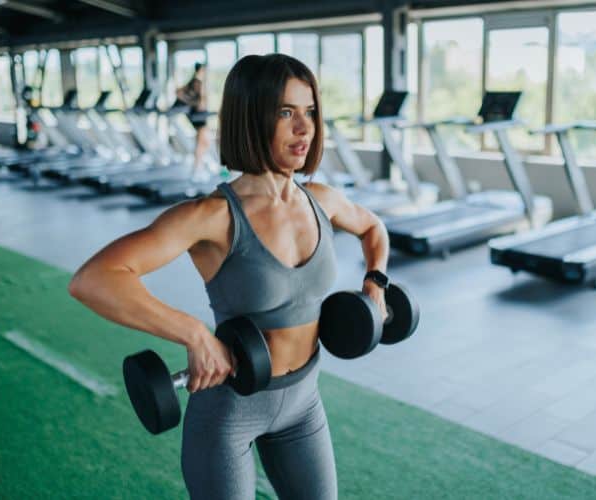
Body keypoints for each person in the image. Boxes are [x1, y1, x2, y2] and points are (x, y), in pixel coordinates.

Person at [69, 53, 390, 500]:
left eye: (309, 112)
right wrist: (194, 335)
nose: (305, 128)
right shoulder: (214, 217)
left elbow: (374, 227)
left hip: (303, 404)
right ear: (252, 118)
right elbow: (94, 279)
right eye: (285, 113)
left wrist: (376, 283)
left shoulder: (322, 200)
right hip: (228, 416)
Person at [177, 62, 210, 176]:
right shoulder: (198, 82)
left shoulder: (193, 81)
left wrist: (190, 103)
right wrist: (194, 104)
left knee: (204, 142)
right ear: (200, 70)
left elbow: (180, 92)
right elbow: (179, 93)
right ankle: (197, 169)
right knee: (201, 143)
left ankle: (198, 167)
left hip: (199, 115)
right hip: (199, 116)